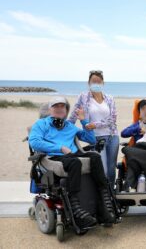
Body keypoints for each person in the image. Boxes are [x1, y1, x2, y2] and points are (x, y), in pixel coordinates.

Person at [29, 96, 116, 228]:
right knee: (75, 162)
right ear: (50, 109)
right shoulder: (41, 124)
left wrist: (83, 120)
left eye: (62, 106)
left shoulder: (69, 126)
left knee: (95, 156)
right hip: (52, 156)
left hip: (72, 154)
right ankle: (76, 211)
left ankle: (104, 204)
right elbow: (34, 142)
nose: (59, 109)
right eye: (55, 106)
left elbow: (91, 139)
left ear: (66, 110)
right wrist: (59, 148)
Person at [69, 70, 119, 187]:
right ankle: (102, 194)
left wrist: (95, 124)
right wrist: (64, 127)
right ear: (89, 82)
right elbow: (74, 114)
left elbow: (113, 119)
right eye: (93, 81)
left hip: (112, 136)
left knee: (111, 170)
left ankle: (111, 195)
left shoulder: (110, 98)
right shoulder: (83, 97)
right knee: (103, 170)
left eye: (98, 81)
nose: (96, 84)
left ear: (103, 83)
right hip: (95, 138)